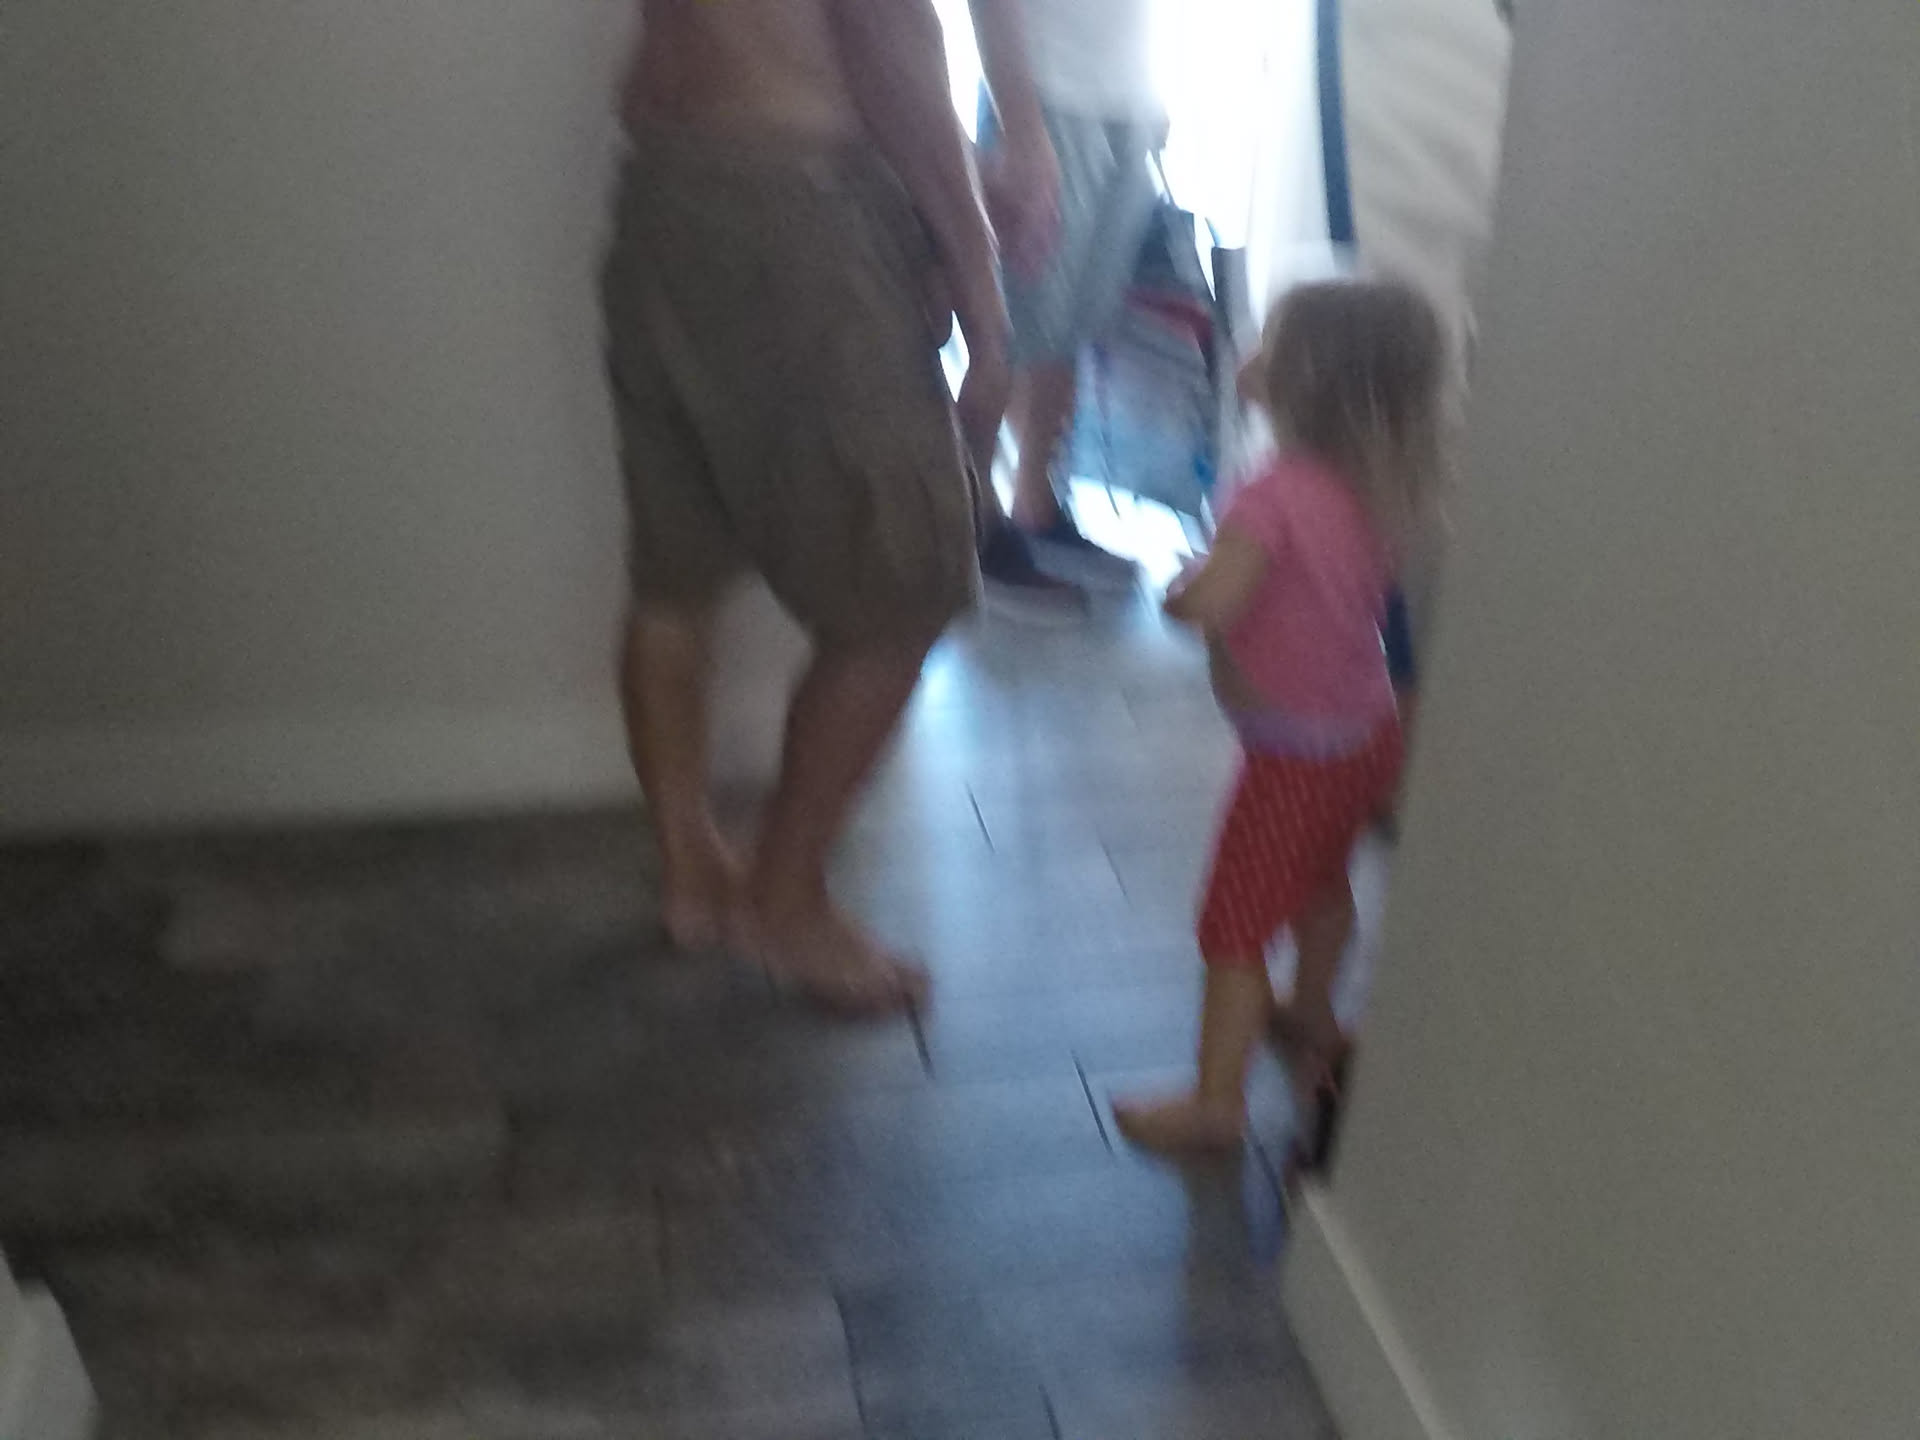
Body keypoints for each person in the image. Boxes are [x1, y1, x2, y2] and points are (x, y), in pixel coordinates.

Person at [605, 0, 1011, 1013]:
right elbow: (884, 32)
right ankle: (783, 905)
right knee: (905, 589)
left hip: (663, 191)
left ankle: (692, 874)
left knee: (676, 572)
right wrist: (979, 276)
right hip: (795, 209)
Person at [1113, 279, 1446, 1151]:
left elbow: (1213, 604)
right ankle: (1311, 1013)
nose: (1248, 354)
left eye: (1267, 343)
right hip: (1366, 735)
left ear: (1303, 380)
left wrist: (1181, 588)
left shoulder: (1270, 495)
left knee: (1234, 925)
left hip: (1293, 755)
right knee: (1324, 882)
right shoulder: (1377, 488)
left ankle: (1215, 1105)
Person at [967, 0, 1168, 611]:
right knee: (1007, 330)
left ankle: (1036, 508)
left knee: (1070, 327)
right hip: (1044, 95)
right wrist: (1021, 126)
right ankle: (970, 528)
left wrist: (1151, 96)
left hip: (1125, 100)